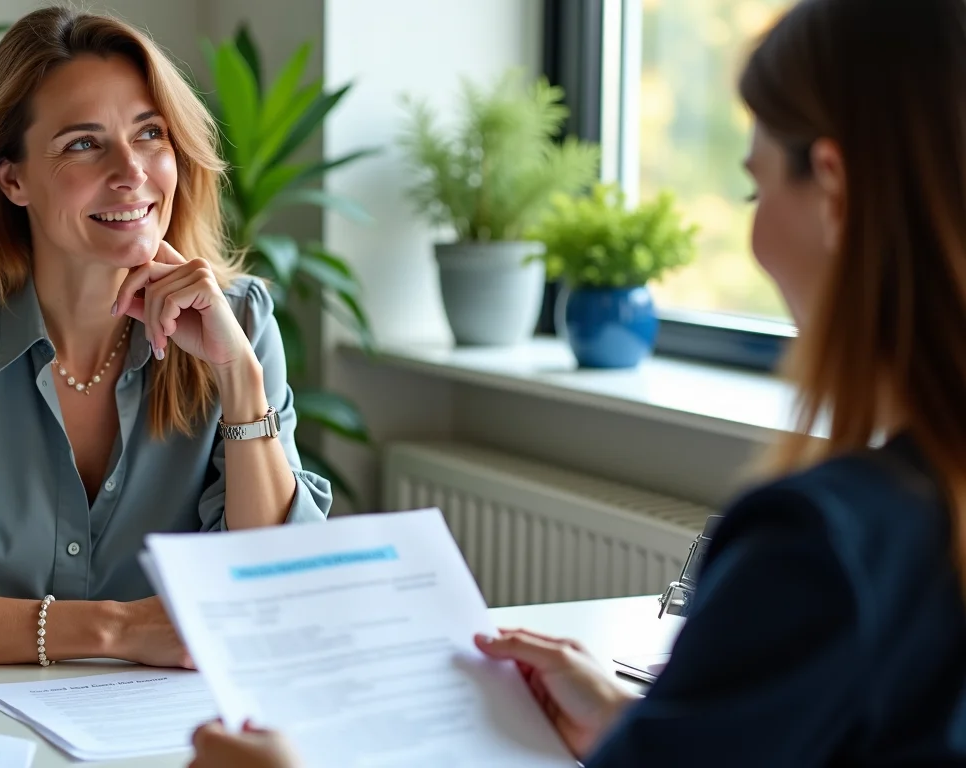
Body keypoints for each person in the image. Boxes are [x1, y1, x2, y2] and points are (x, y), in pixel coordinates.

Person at [189, 0, 966, 764]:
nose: (756, 233)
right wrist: (635, 725)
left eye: (754, 189)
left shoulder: (822, 547)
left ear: (833, 189)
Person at [0, 7, 331, 669]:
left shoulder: (240, 320)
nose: (132, 171)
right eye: (84, 143)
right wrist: (115, 629)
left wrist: (241, 383)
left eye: (150, 134)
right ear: (12, 179)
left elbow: (272, 600)